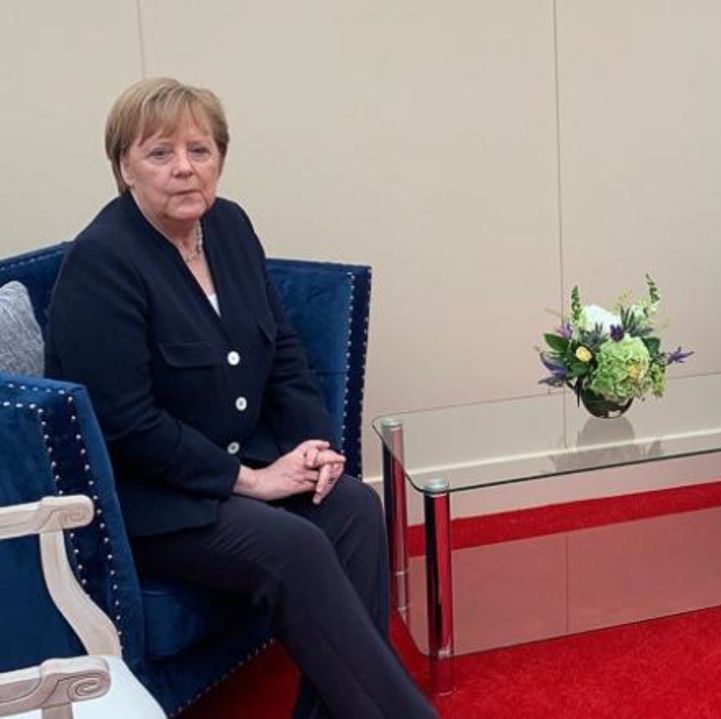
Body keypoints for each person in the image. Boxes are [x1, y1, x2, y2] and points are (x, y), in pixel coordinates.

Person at [45, 78, 437, 718]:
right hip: (156, 501)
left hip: (246, 465)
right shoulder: (102, 263)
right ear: (124, 166)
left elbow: (282, 349)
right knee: (296, 544)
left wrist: (313, 447)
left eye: (199, 150)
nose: (183, 169)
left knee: (355, 508)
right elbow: (125, 424)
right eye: (160, 153)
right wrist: (249, 481)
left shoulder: (227, 226)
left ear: (220, 157)